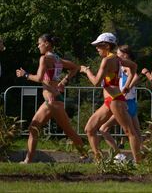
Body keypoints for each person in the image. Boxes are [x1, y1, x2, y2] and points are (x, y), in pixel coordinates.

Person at [15, 34, 87, 163]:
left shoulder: (44, 58)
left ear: (47, 44)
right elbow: (76, 67)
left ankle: (28, 160)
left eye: (39, 43)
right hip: (54, 99)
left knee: (36, 129)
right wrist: (64, 82)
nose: (38, 46)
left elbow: (38, 78)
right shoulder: (58, 59)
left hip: (51, 101)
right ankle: (85, 155)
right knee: (64, 130)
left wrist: (24, 74)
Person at [80, 33, 141, 162]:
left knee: (129, 131)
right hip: (110, 100)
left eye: (98, 46)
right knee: (89, 129)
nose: (97, 48)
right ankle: (100, 160)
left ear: (107, 46)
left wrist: (87, 71)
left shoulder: (107, 60)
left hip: (115, 100)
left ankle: (139, 162)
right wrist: (127, 85)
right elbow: (134, 66)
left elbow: (96, 82)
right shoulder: (118, 59)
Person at [99, 45, 142, 153]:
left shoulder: (124, 66)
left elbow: (136, 77)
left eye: (118, 54)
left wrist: (127, 87)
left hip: (124, 103)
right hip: (130, 103)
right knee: (136, 133)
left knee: (104, 129)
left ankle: (118, 154)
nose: (116, 56)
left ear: (125, 55)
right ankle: (144, 156)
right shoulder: (122, 66)